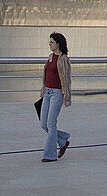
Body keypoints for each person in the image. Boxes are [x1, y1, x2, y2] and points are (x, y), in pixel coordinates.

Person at [39, 31, 71, 162]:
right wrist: (43, 89)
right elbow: (46, 75)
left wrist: (66, 95)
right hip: (47, 93)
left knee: (51, 124)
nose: (50, 44)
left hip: (57, 94)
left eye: (52, 42)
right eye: (49, 42)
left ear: (58, 44)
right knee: (43, 124)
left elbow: (67, 79)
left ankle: (50, 155)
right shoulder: (50, 57)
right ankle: (63, 141)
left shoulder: (64, 59)